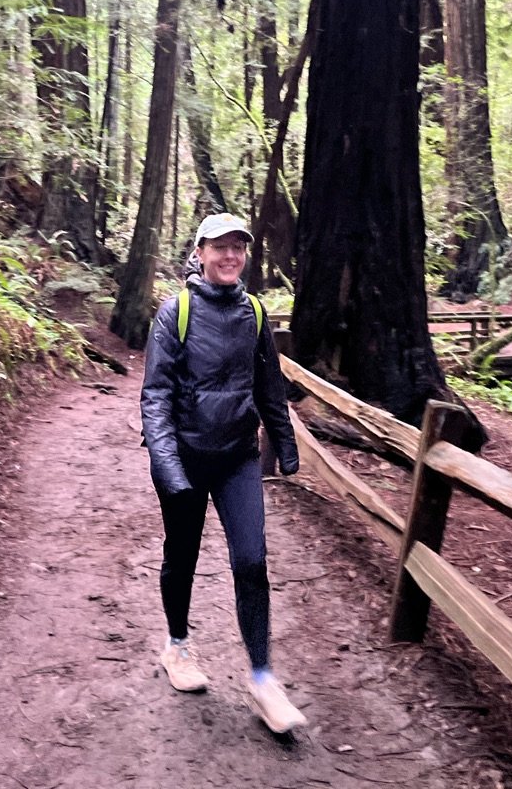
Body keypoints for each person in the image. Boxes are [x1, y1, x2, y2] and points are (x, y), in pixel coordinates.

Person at [140, 212, 307, 734]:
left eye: (238, 246)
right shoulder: (176, 313)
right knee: (182, 555)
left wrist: (284, 444)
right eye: (220, 247)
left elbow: (269, 387)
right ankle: (177, 645)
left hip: (237, 457)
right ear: (200, 253)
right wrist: (168, 466)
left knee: (252, 561)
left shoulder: (254, 313)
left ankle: (262, 679)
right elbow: (155, 397)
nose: (230, 255)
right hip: (186, 457)